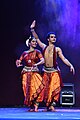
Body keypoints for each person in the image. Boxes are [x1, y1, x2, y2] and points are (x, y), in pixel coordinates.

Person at [30, 20, 75, 111]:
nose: (54, 38)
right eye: (52, 37)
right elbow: (37, 38)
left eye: (54, 37)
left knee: (54, 87)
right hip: (46, 71)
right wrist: (32, 29)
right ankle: (39, 105)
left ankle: (51, 105)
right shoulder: (44, 47)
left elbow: (64, 59)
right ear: (48, 39)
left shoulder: (57, 49)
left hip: (54, 71)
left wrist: (70, 65)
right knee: (44, 89)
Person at [16, 36, 44, 112]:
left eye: (35, 42)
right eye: (33, 42)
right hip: (26, 72)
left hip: (34, 72)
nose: (35, 43)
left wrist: (36, 64)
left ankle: (36, 105)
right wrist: (18, 63)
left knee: (37, 87)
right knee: (27, 89)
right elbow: (19, 61)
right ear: (29, 43)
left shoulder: (37, 52)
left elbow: (43, 60)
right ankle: (31, 106)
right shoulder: (24, 53)